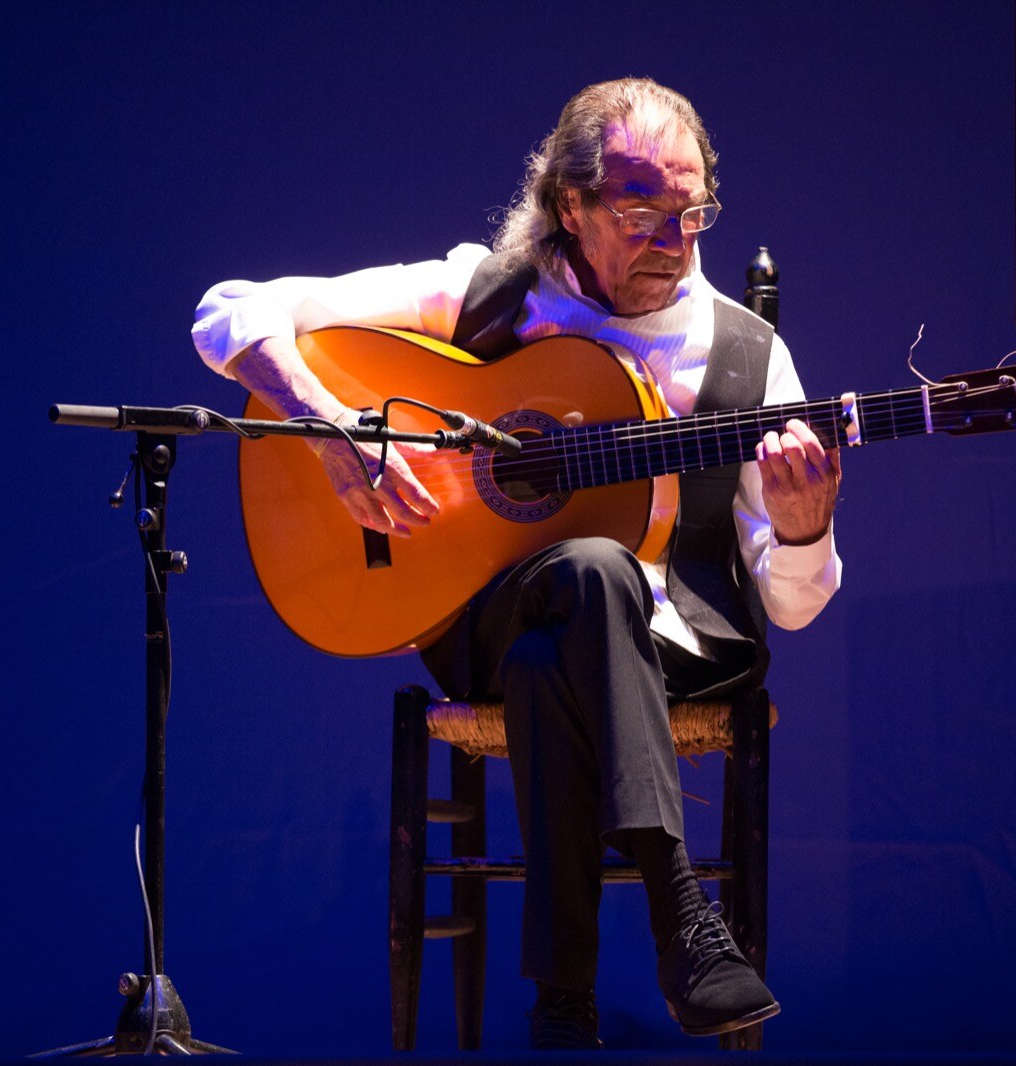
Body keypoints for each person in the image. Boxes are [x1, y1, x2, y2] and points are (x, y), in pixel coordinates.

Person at [192, 77, 842, 1049]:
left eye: (693, 211)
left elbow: (789, 609)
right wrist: (331, 432)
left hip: (674, 645)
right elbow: (227, 312)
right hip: (482, 620)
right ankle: (680, 917)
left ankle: (561, 1006)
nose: (675, 240)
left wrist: (802, 528)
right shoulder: (487, 298)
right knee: (587, 572)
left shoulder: (746, 358)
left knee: (573, 621)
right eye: (640, 213)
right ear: (568, 207)